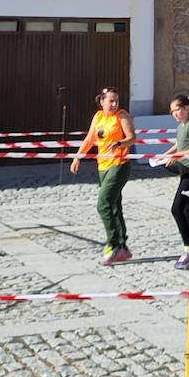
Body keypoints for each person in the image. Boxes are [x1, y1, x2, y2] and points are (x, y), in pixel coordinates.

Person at [70, 87, 136, 264]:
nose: (114, 104)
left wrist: (120, 143)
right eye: (111, 101)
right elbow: (90, 139)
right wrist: (78, 157)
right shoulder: (98, 116)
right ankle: (123, 246)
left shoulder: (122, 116)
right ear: (102, 101)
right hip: (102, 166)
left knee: (103, 204)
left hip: (119, 165)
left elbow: (132, 138)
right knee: (114, 205)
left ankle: (113, 245)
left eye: (116, 100)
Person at [154, 93, 189, 269]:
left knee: (176, 209)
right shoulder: (181, 126)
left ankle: (188, 248)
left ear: (187, 109)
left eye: (177, 109)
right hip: (185, 171)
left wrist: (177, 156)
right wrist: (165, 155)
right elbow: (179, 144)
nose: (174, 113)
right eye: (172, 111)